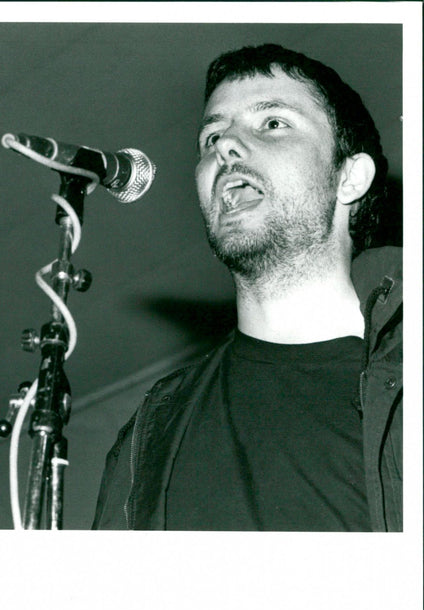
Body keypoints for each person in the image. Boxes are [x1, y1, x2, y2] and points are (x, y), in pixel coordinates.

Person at [93, 44, 402, 532]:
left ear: (349, 177)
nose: (225, 146)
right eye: (212, 134)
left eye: (273, 123)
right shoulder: (152, 430)